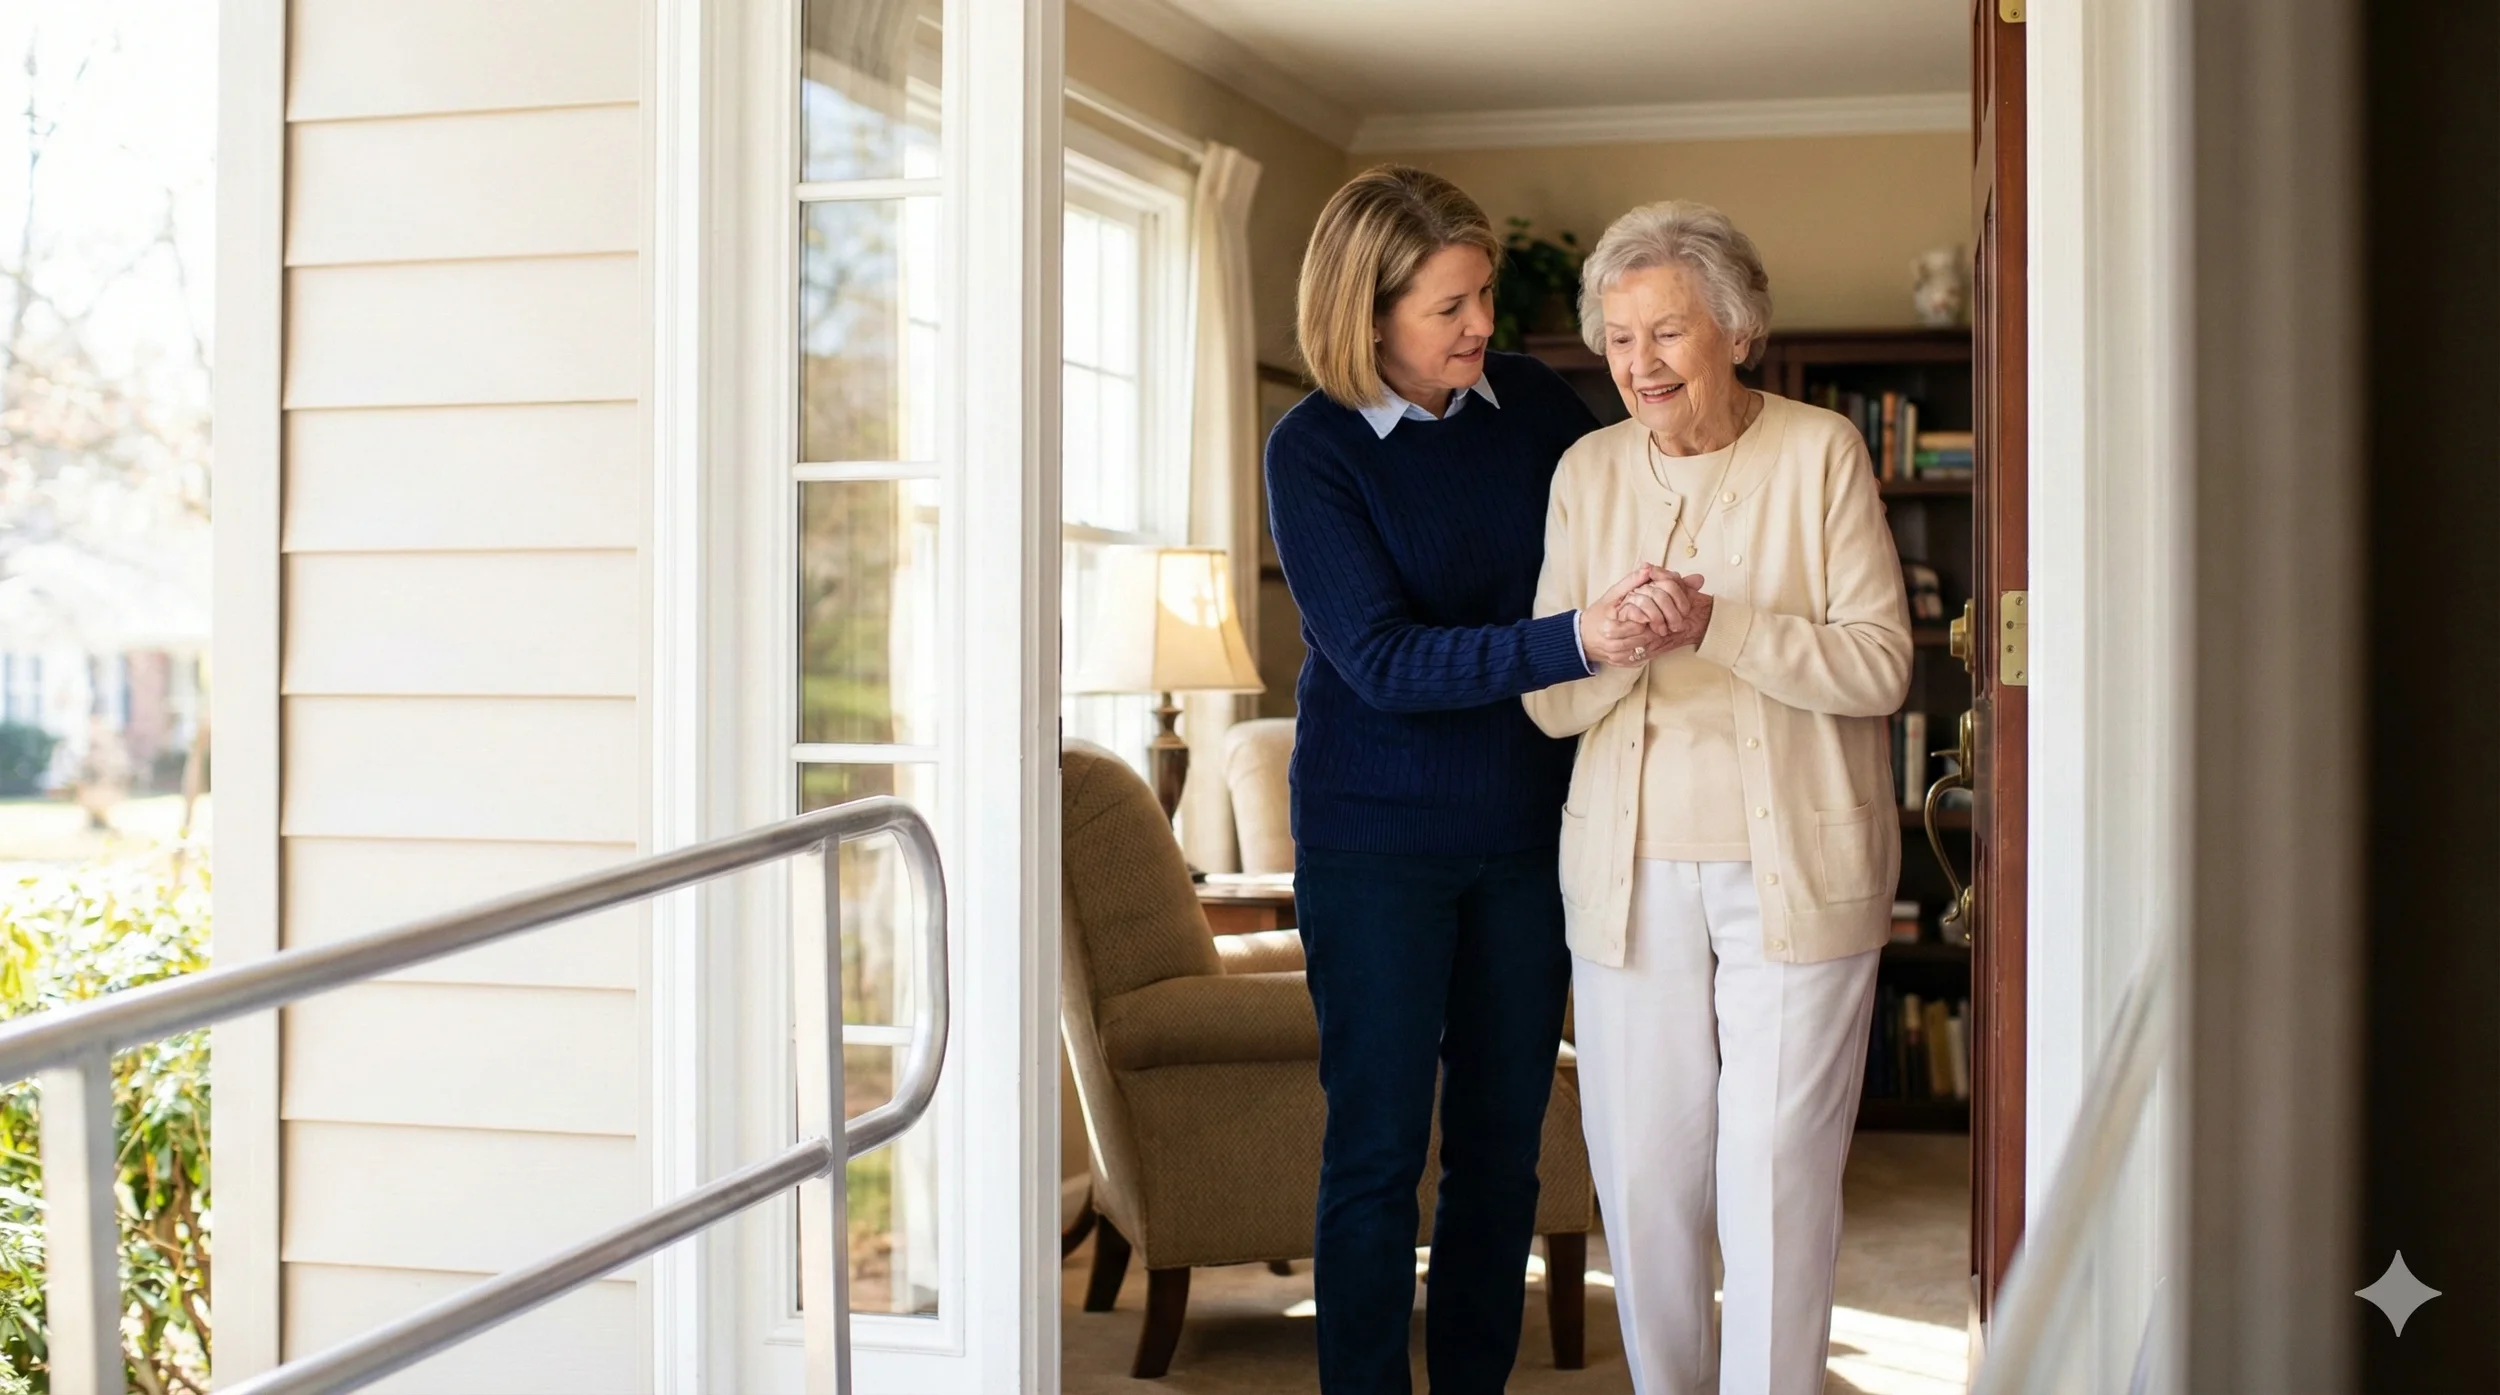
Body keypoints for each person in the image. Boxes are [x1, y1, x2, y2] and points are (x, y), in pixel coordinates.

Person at [1264, 165, 1671, 1394]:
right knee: (1380, 1151)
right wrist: (1573, 641)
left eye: (1482, 294)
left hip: (1528, 831)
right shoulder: (1315, 450)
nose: (1481, 324)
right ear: (1368, 311)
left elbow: (1636, 502)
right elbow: (1379, 658)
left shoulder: (1535, 404)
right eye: (1449, 306)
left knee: (1502, 1153)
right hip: (1374, 843)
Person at [1523, 200, 1914, 1395]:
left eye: (1669, 333)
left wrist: (1720, 626)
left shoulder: (1817, 452)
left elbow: (1881, 662)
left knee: (1774, 1172)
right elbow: (1545, 705)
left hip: (1796, 872)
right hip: (1628, 875)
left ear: (1736, 332)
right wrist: (1606, 644)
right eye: (1620, 336)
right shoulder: (1585, 471)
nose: (1640, 363)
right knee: (1643, 1174)